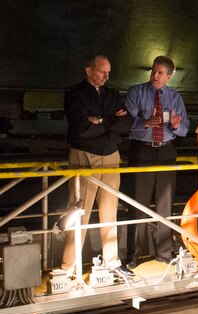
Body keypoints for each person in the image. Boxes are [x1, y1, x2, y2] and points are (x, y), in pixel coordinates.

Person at [62, 54, 133, 277]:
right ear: (89, 71)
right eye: (102, 71)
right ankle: (68, 266)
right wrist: (110, 120)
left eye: (108, 72)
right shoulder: (75, 95)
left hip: (111, 156)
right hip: (85, 157)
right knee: (79, 210)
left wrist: (100, 120)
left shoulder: (112, 94)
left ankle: (112, 261)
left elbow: (126, 122)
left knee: (110, 211)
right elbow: (81, 128)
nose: (106, 76)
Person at [124, 56, 190, 268]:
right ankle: (134, 255)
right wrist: (146, 123)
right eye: (154, 71)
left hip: (166, 151)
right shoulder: (136, 92)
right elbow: (126, 124)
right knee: (138, 204)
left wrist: (175, 126)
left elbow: (184, 129)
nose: (155, 75)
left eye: (161, 73)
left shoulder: (174, 97)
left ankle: (164, 252)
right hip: (142, 151)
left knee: (165, 204)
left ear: (169, 77)